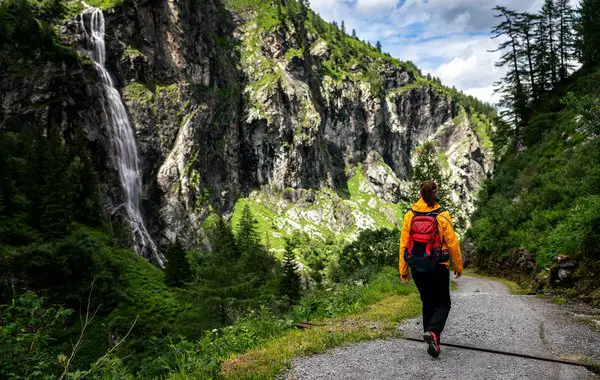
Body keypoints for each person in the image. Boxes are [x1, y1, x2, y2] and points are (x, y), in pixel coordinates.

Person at [399, 180, 462, 358]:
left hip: (417, 267)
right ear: (435, 194)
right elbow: (452, 244)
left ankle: (432, 339)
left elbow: (404, 244)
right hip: (438, 266)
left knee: (427, 302)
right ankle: (433, 333)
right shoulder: (442, 216)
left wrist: (403, 270)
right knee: (444, 303)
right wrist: (458, 266)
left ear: (420, 194)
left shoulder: (410, 215)